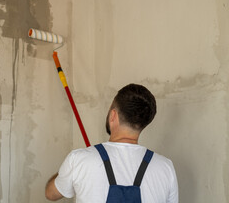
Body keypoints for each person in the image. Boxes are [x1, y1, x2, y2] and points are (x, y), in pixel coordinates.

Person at [45, 84, 178, 203]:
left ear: (113, 115)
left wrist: (70, 169)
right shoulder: (165, 167)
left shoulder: (78, 159)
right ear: (144, 123)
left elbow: (51, 194)